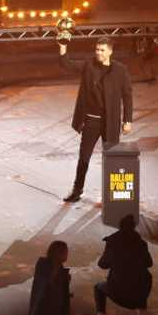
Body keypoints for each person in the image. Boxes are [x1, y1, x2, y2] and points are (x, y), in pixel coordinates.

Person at [58, 36, 133, 202]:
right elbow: (67, 64)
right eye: (97, 49)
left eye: (102, 50)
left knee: (112, 157)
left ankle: (115, 195)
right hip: (91, 121)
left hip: (111, 122)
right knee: (84, 157)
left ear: (110, 52)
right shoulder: (88, 64)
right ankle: (77, 191)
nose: (98, 53)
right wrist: (63, 46)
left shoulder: (120, 70)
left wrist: (127, 120)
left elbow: (127, 96)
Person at [82, 214, 154, 315]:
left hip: (120, 293)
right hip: (140, 294)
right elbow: (149, 263)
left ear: (120, 227)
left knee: (98, 287)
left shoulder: (113, 242)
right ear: (134, 227)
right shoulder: (141, 243)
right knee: (142, 276)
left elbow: (102, 264)